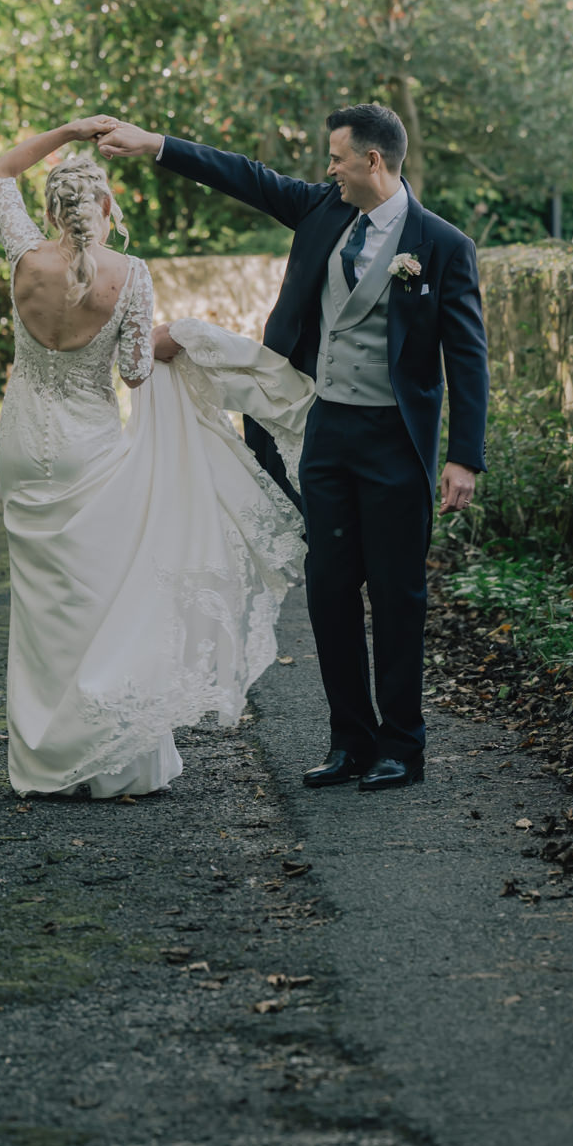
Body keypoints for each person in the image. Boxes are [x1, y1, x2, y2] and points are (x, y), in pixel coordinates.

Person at [98, 104, 489, 793]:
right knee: (330, 588)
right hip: (326, 430)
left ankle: (402, 745)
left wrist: (465, 455)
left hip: (398, 442)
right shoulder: (322, 211)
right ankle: (350, 741)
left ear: (374, 161)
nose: (328, 167)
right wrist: (153, 144)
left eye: (338, 156)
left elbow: (468, 356)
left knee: (398, 595)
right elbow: (241, 176)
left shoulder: (443, 246)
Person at [0, 117, 312, 798]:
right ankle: (112, 759)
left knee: (41, 605)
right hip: (90, 450)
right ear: (106, 207)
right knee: (100, 598)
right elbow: (136, 371)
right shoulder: (130, 275)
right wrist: (177, 341)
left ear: (50, 210)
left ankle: (46, 758)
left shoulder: (22, 256)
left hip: (23, 446)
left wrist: (70, 130)